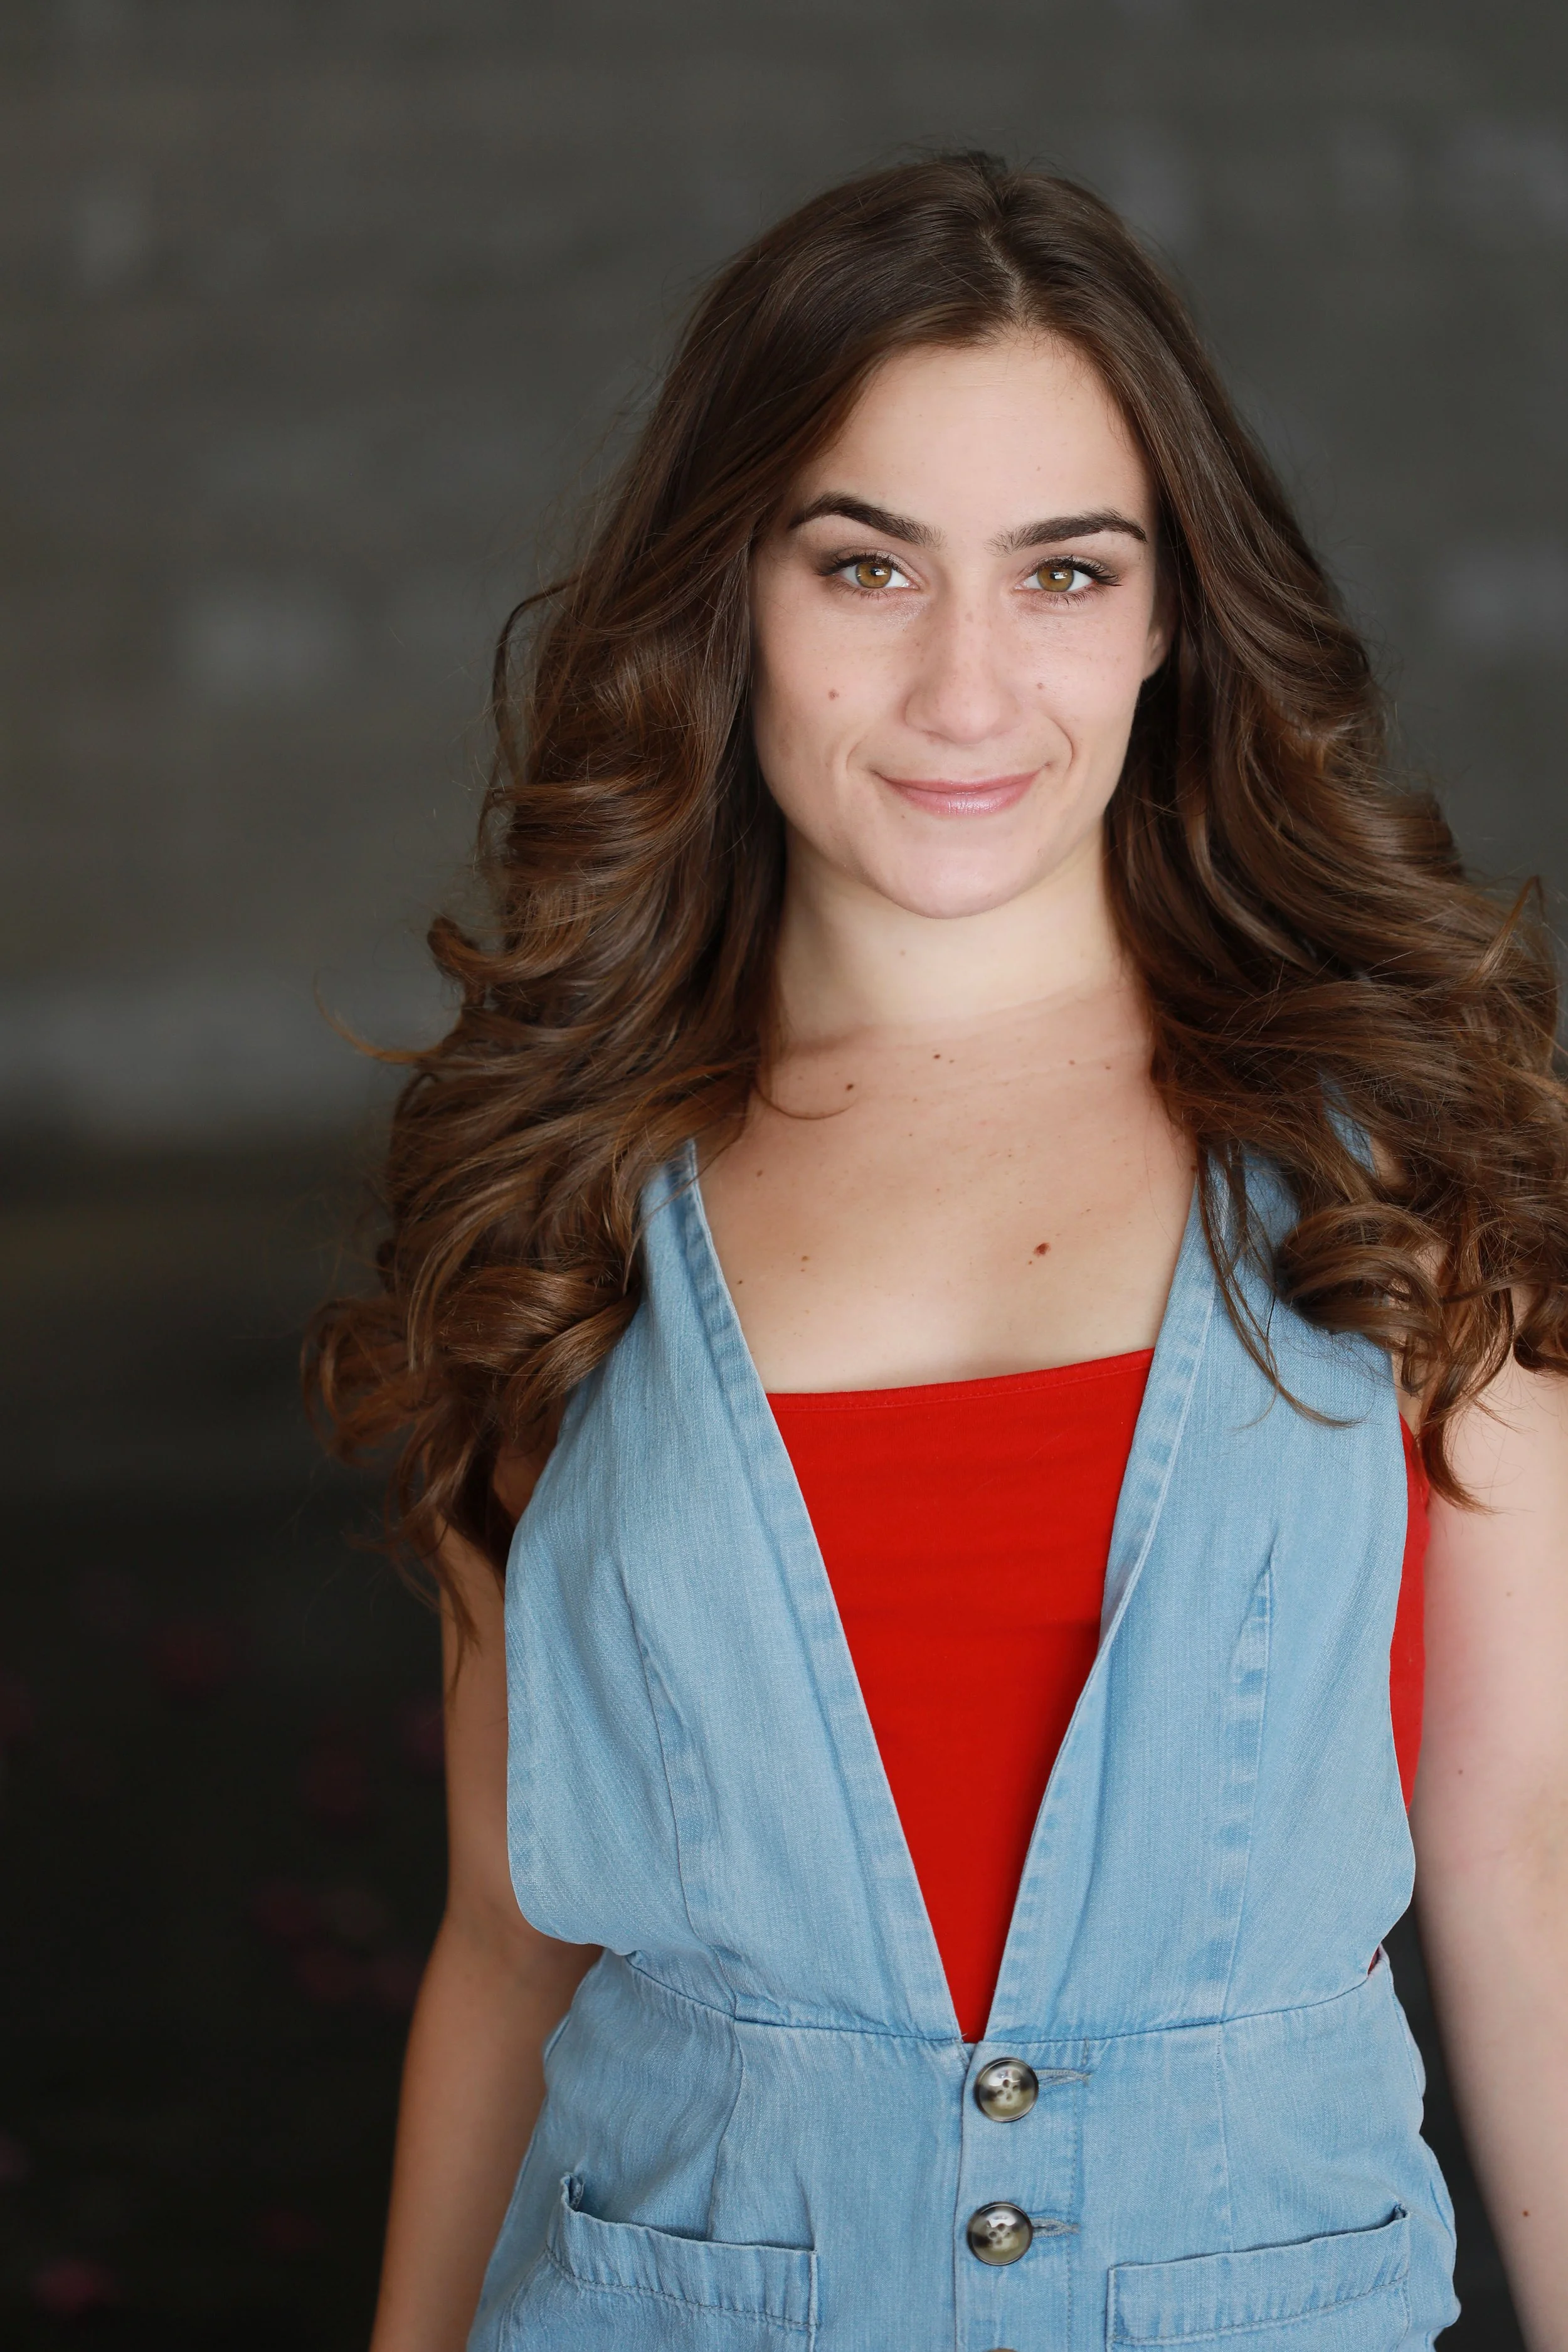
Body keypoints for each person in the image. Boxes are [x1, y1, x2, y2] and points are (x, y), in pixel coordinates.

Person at [309, 155, 1568, 2351]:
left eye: (1063, 570)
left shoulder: (1409, 1152)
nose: (966, 686)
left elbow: (1526, 1858)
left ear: (1173, 617)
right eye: (865, 565)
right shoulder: (559, 1204)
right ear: (734, 597)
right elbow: (513, 1946)